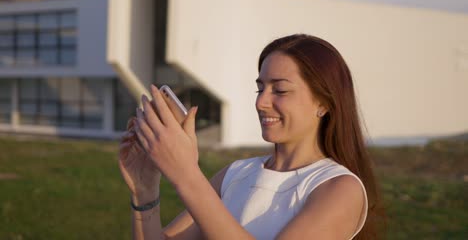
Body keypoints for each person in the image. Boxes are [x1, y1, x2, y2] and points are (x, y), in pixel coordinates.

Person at [119, 34, 384, 240]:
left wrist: (186, 174)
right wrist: (145, 190)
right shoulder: (235, 174)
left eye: (279, 90)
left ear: (323, 104)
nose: (261, 102)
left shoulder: (338, 189)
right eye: (260, 88)